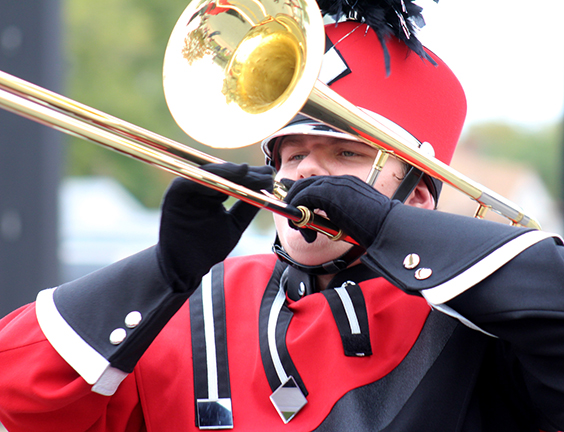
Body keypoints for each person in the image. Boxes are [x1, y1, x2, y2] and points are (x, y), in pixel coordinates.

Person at [1, 3, 564, 432]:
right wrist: (162, 273)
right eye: (292, 155)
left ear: (418, 196)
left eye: (347, 156)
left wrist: (390, 232)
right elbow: (15, 396)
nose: (305, 176)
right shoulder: (187, 307)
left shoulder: (476, 323)